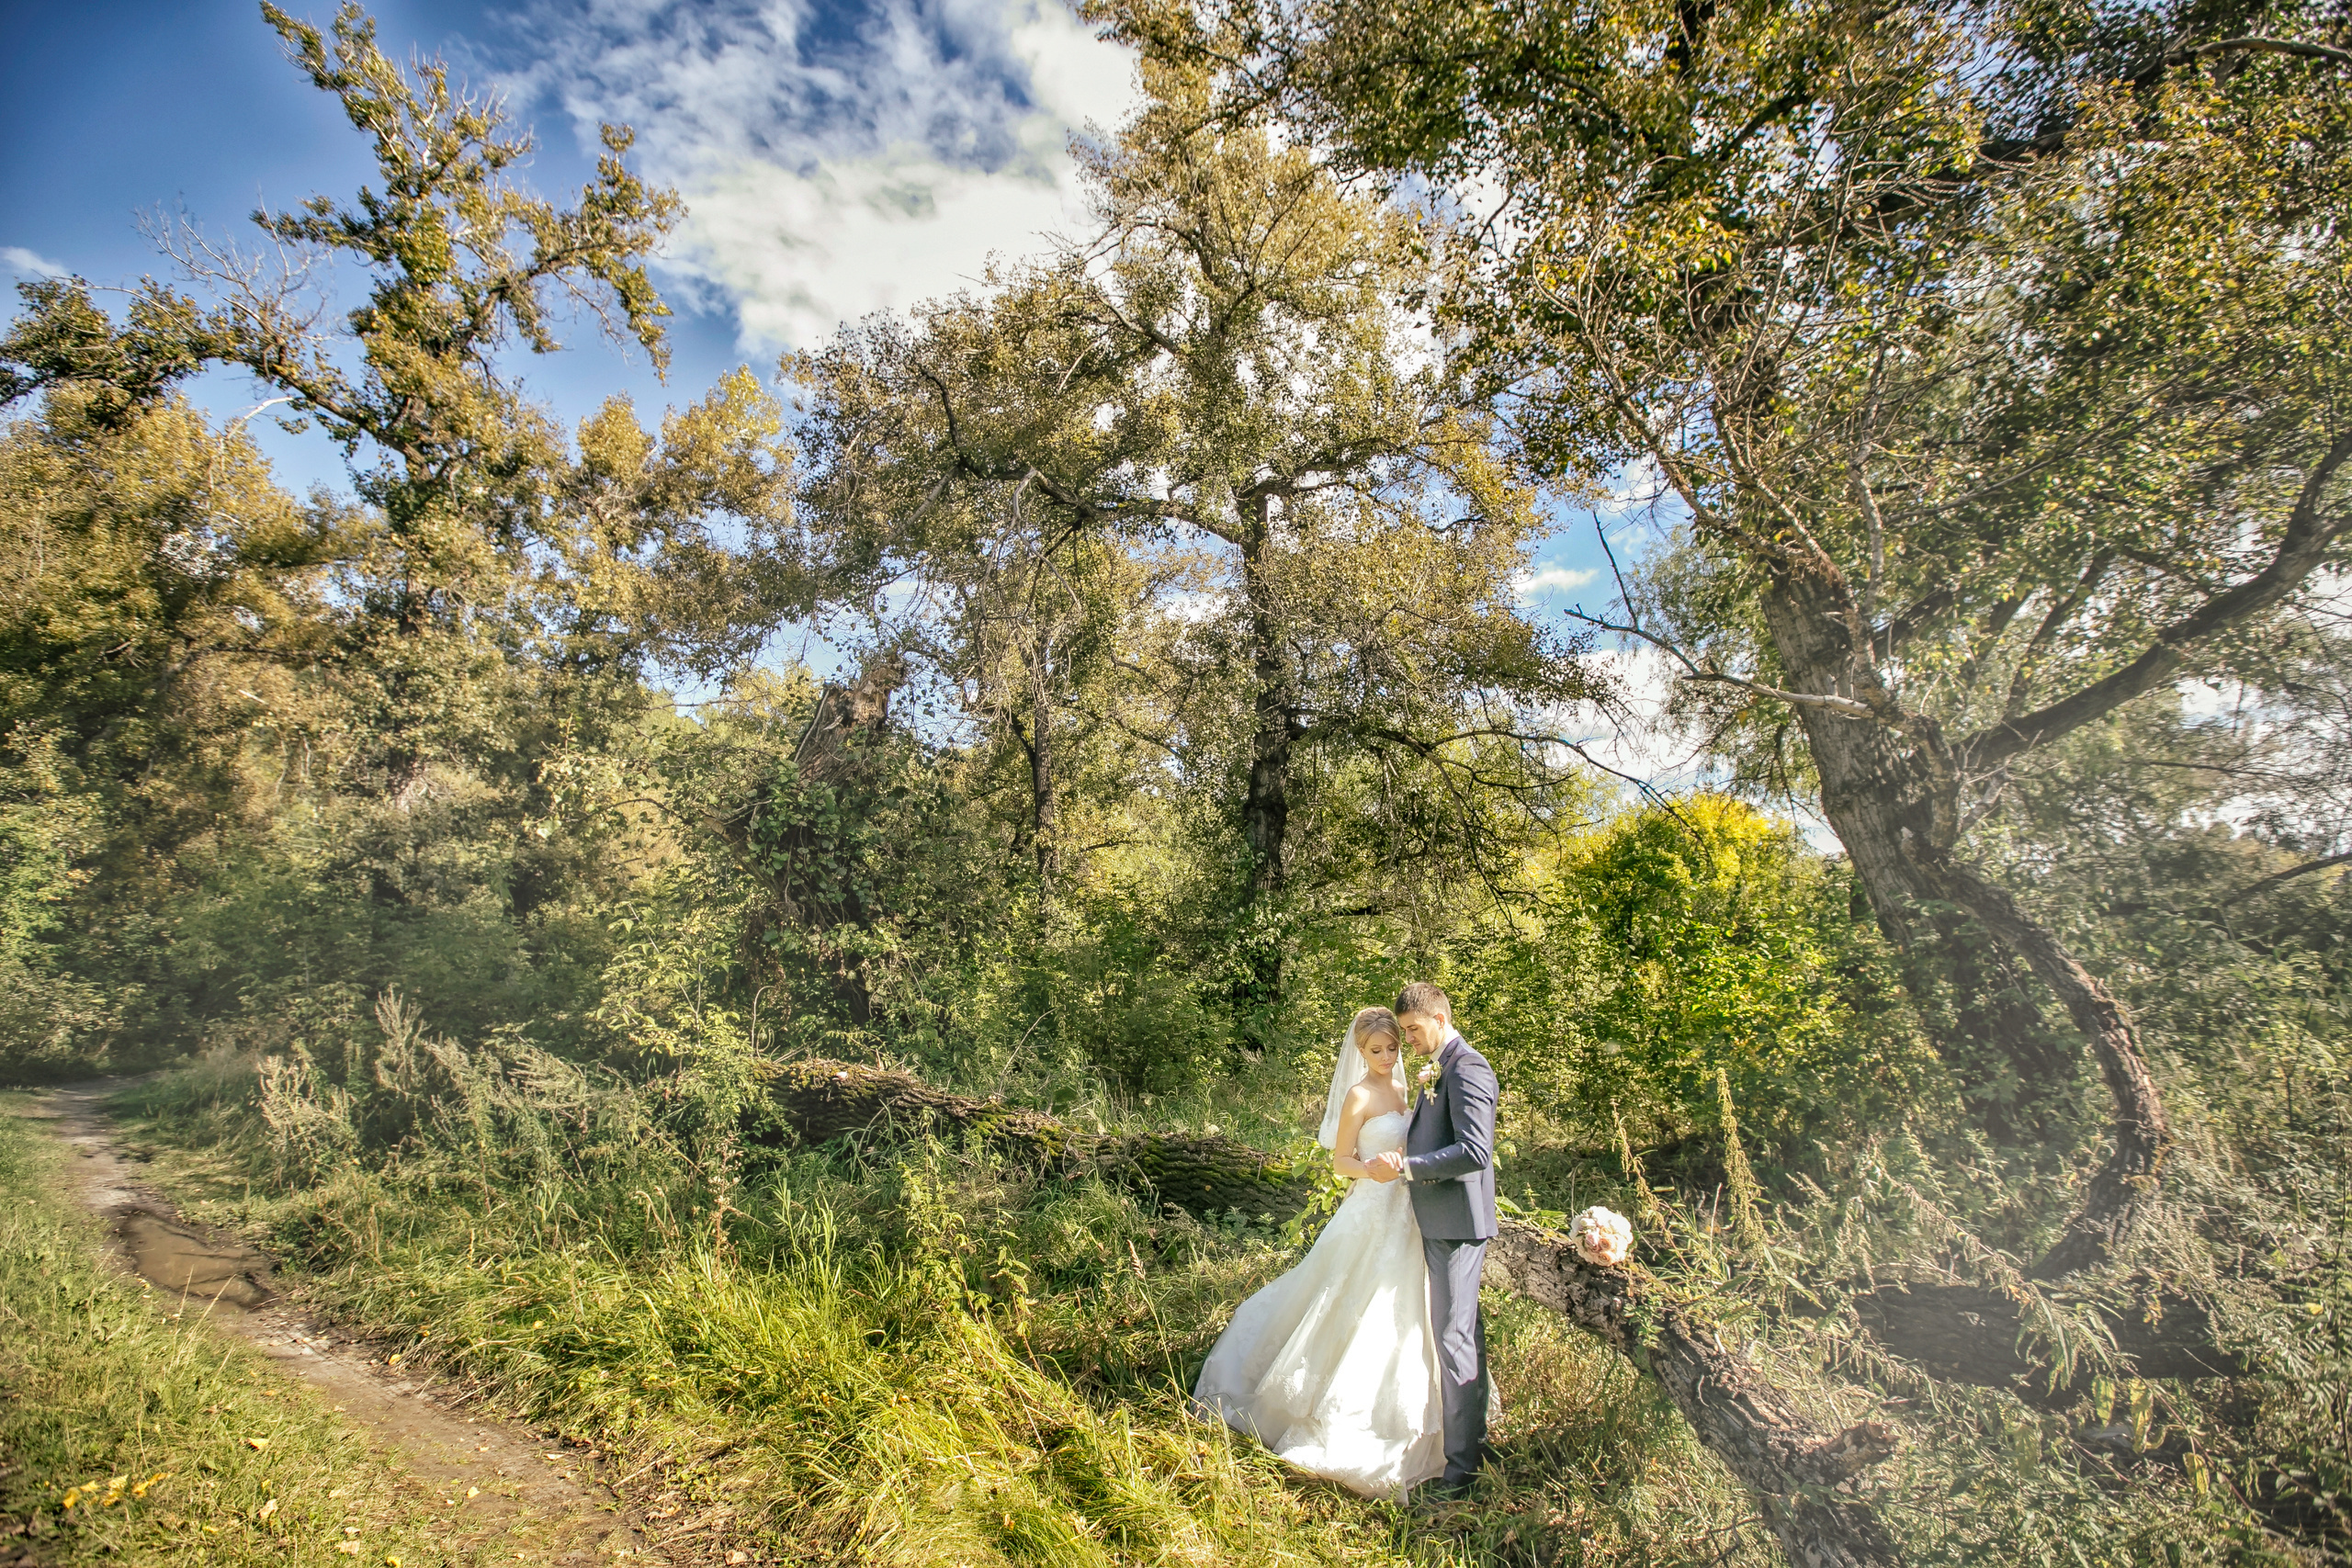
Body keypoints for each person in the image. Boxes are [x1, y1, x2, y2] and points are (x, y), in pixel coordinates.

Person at [1190, 1007, 1446, 1498]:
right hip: (1371, 1210)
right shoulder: (1359, 1095)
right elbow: (1342, 1161)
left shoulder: (1407, 1086)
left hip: (1407, 1216)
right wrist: (1371, 1169)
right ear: (1360, 1052)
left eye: (1393, 1047)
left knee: (1404, 1311)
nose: (1388, 1057)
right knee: (1341, 1301)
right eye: (1377, 1051)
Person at [1365, 982, 1498, 1496]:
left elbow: (1474, 1151)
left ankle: (1462, 1473)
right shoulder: (1442, 1065)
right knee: (1461, 1334)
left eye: (1415, 1030)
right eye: (1405, 1032)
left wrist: (1408, 1169)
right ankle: (1473, 1446)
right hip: (1440, 1221)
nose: (1410, 1040)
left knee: (1454, 1338)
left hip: (1457, 1226)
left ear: (1440, 1018)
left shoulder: (1468, 1067)